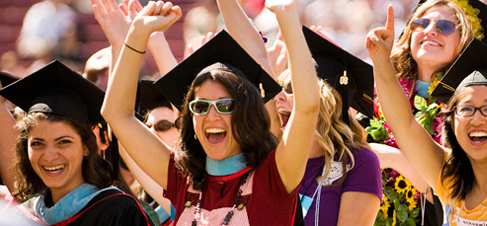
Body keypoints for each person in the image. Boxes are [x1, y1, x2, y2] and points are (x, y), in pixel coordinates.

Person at [100, 1, 320, 225]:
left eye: (225, 105)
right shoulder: (181, 178)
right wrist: (137, 34)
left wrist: (287, 16)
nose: (211, 116)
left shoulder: (273, 178)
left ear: (246, 114)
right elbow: (117, 115)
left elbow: (307, 108)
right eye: (200, 107)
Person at [366, 0, 487, 224]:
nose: (476, 119)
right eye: (465, 109)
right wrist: (381, 61)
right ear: (452, 121)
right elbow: (403, 124)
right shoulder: (448, 179)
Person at [0, 60, 153, 225]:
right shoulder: (23, 216)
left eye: (63, 142)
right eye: (37, 143)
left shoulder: (118, 211)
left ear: (87, 146)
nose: (50, 156)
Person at [273, 27, 382, 225]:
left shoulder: (358, 163)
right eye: (280, 89)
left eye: (292, 89)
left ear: (324, 102)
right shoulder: (273, 158)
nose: (279, 97)